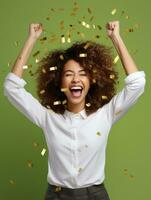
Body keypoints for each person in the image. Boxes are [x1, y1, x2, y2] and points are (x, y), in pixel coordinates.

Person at [3, 21, 146, 200]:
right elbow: (11, 88)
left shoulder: (105, 115)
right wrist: (31, 39)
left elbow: (137, 84)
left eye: (83, 74)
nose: (76, 80)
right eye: (69, 74)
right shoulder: (48, 118)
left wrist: (116, 38)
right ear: (59, 81)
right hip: (56, 195)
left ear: (92, 80)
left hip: (95, 195)